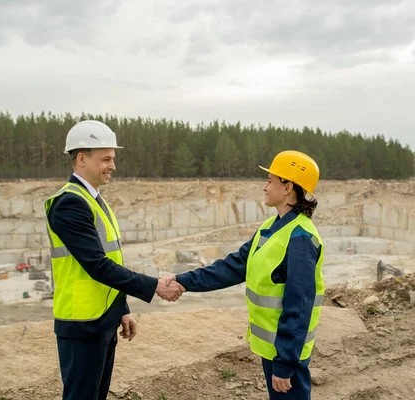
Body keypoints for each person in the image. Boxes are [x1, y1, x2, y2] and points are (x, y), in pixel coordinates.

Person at [45, 120, 184, 400]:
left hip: (101, 319)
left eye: (113, 158)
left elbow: (111, 262)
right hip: (82, 322)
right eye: (106, 159)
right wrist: (154, 285)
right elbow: (97, 265)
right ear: (81, 158)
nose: (113, 166)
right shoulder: (70, 203)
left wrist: (121, 307)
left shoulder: (95, 200)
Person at [173, 150, 325, 399]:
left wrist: (285, 363)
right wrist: (183, 281)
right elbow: (232, 267)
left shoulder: (301, 238)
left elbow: (299, 305)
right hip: (273, 348)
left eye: (270, 181)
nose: (265, 187)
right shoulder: (270, 227)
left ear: (287, 187)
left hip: (286, 353)